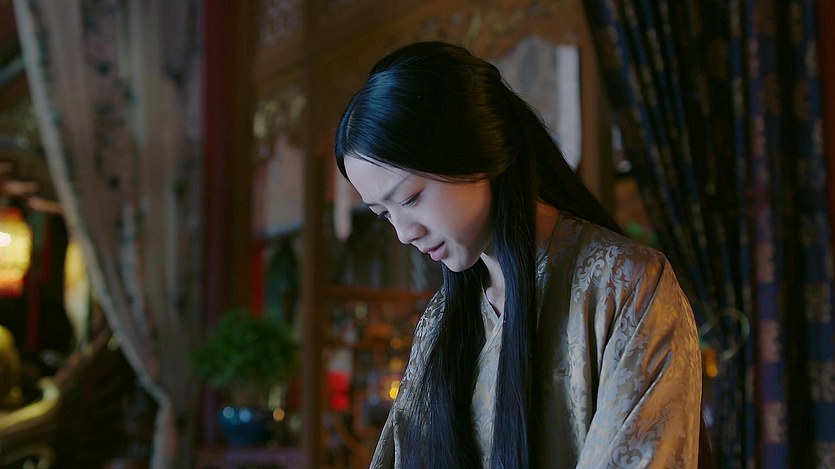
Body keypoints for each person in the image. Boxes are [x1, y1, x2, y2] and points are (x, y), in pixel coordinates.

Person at [334, 41, 702, 468]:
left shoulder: (626, 286)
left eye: (411, 198)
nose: (403, 233)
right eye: (384, 214)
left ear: (477, 149)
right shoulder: (440, 324)